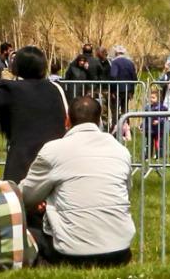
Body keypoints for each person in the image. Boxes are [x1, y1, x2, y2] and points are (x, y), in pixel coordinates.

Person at [16, 96, 133, 265]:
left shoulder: (53, 150)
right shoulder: (121, 151)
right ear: (99, 120)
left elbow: (26, 196)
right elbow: (126, 192)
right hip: (120, 250)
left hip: (72, 252)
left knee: (24, 232)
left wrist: (45, 198)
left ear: (67, 120)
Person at [0, 49, 73, 188]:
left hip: (24, 166)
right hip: (57, 163)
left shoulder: (11, 90)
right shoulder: (57, 88)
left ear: (17, 67)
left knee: (18, 205)